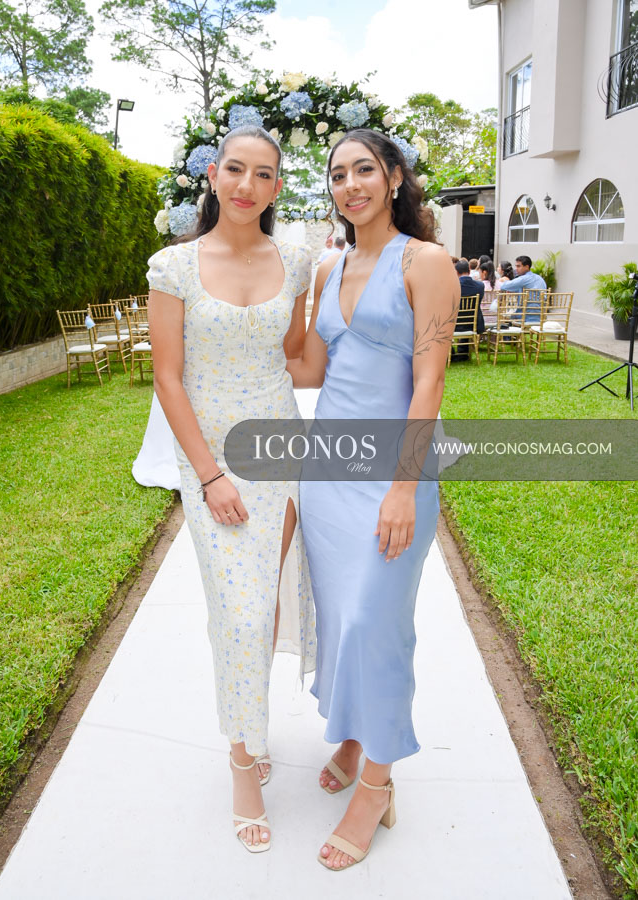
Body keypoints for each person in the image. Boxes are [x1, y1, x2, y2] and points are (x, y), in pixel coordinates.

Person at [287, 128, 458, 870]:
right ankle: (354, 736)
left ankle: (377, 786)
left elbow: (430, 380)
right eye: (337, 174)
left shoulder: (426, 262)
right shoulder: (329, 267)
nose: (349, 184)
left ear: (393, 177)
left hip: (393, 473)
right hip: (327, 474)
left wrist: (403, 487)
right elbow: (309, 370)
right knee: (340, 617)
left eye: (364, 169)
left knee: (375, 622)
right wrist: (253, 308)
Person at [146, 125, 316, 855]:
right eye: (236, 170)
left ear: (277, 187)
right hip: (210, 457)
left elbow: (296, 356)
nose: (248, 185)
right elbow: (167, 378)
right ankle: (242, 762)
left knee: (263, 602)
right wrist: (211, 475)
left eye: (264, 174)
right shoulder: (173, 266)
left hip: (279, 448)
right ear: (213, 175)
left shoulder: (297, 262)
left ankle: (252, 728)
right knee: (238, 611)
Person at [453, 259, 485, 360]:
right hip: (473, 323)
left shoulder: (452, 286)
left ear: (456, 272)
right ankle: (463, 352)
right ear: (469, 271)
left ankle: (451, 352)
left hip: (454, 324)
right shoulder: (480, 286)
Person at [501, 254, 547, 322]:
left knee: (505, 318)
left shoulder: (524, 279)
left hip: (525, 316)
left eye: (518, 266)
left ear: (527, 267)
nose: (516, 269)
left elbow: (504, 286)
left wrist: (504, 280)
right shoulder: (540, 278)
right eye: (516, 266)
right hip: (540, 316)